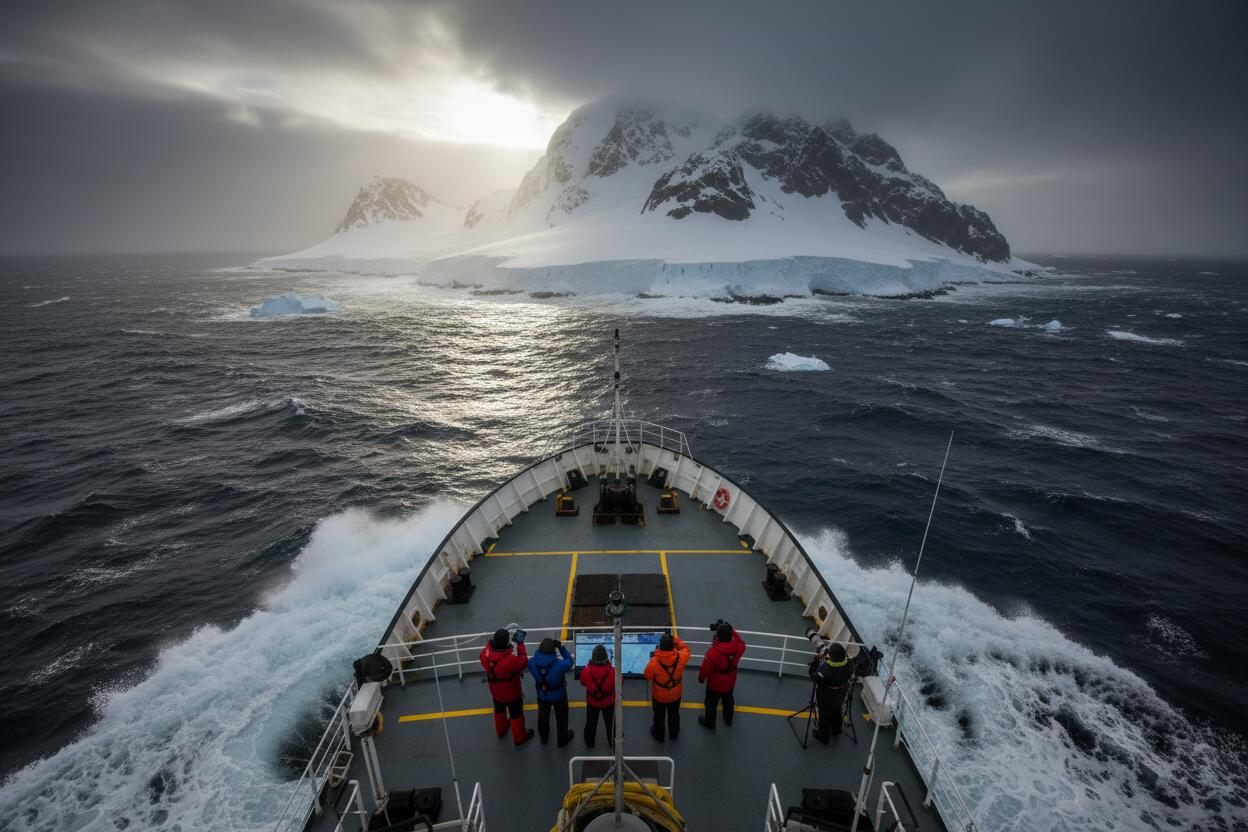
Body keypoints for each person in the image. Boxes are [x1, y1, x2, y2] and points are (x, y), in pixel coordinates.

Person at [479, 628, 533, 746]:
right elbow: (523, 661)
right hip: (512, 693)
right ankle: (519, 738)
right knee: (516, 714)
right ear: (505, 642)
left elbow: (485, 658)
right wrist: (520, 644)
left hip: (496, 692)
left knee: (499, 710)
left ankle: (501, 730)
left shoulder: (485, 654)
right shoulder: (510, 660)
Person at [698, 622, 747, 729]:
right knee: (728, 700)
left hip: (715, 684)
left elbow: (705, 670)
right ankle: (728, 719)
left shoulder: (712, 652)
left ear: (718, 637)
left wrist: (701, 678)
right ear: (730, 636)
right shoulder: (738, 648)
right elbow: (740, 641)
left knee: (711, 703)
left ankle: (710, 722)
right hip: (730, 681)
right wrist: (731, 629)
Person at [643, 632, 690, 742]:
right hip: (675, 694)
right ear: (672, 646)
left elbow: (647, 676)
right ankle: (674, 733)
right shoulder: (681, 657)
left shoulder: (654, 662)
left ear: (660, 646)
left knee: (659, 717)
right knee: (674, 714)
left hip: (659, 696)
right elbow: (685, 647)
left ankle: (659, 735)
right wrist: (673, 638)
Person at [528, 637, 576, 746]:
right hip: (559, 695)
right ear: (553, 650)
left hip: (542, 695)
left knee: (543, 716)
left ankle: (544, 737)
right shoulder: (560, 665)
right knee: (561, 717)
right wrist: (561, 648)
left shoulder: (532, 663)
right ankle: (562, 739)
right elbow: (570, 661)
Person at [808, 642, 854, 743]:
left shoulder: (827, 669)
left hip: (827, 695)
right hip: (841, 692)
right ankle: (837, 730)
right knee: (837, 711)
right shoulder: (849, 664)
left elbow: (815, 677)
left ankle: (823, 736)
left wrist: (815, 663)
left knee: (824, 715)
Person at [578, 644, 616, 748]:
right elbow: (620, 683)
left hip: (592, 702)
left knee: (591, 723)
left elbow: (583, 682)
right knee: (610, 724)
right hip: (608, 702)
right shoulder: (613, 672)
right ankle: (612, 742)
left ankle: (589, 742)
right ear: (606, 657)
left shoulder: (586, 671)